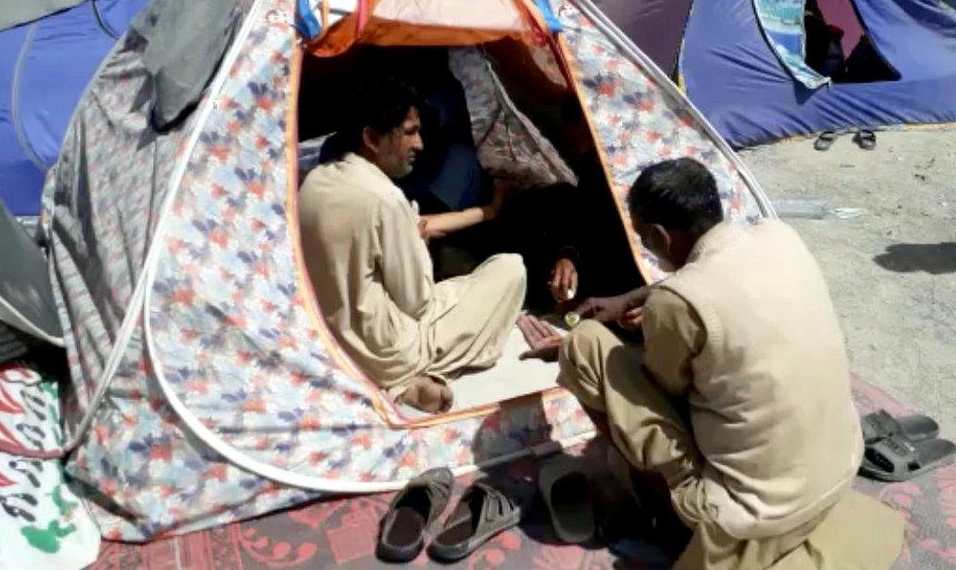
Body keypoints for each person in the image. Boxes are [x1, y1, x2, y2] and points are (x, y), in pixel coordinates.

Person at [519, 159, 904, 568]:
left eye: (643, 238)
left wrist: (572, 349)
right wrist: (633, 300)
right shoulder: (779, 235)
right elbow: (718, 279)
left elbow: (664, 396)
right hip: (835, 472)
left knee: (585, 344)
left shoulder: (678, 302)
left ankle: (659, 506)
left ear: (660, 237)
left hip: (747, 511)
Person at [298, 79, 526, 413]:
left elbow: (416, 226)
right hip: (388, 353)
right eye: (409, 132)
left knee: (461, 284)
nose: (419, 143)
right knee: (510, 269)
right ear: (372, 139)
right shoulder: (385, 199)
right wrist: (418, 247)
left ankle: (407, 380)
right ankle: (407, 378)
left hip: (336, 341)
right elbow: (418, 302)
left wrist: (487, 212)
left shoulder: (315, 183)